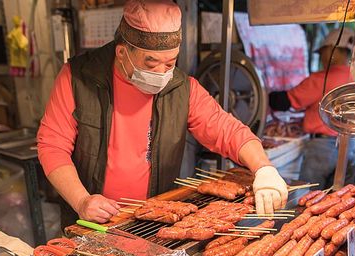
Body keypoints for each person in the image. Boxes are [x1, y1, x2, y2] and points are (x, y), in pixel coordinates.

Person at [37, 0, 288, 226]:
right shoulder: (78, 78)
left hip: (153, 220)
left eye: (170, 63)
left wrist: (264, 168)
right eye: (151, 63)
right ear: (122, 52)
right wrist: (81, 201)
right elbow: (52, 146)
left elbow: (227, 130)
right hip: (92, 221)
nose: (161, 73)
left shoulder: (181, 88)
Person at [268, 27, 355, 189]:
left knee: (309, 197)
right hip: (350, 147)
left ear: (332, 51)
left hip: (323, 149)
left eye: (322, 52)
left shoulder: (321, 79)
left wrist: (265, 92)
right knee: (336, 199)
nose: (322, 57)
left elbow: (285, 102)